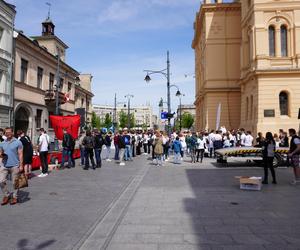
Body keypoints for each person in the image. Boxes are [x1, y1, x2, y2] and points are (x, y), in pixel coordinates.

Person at [0, 127, 23, 205]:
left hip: (15, 165)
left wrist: (21, 165)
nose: (8, 134)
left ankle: (14, 197)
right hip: (4, 165)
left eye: (9, 132)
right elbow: (0, 153)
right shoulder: (2, 143)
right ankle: (7, 195)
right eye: (6, 132)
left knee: (15, 183)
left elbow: (20, 154)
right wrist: (1, 155)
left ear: (12, 133)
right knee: (1, 181)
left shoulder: (18, 142)